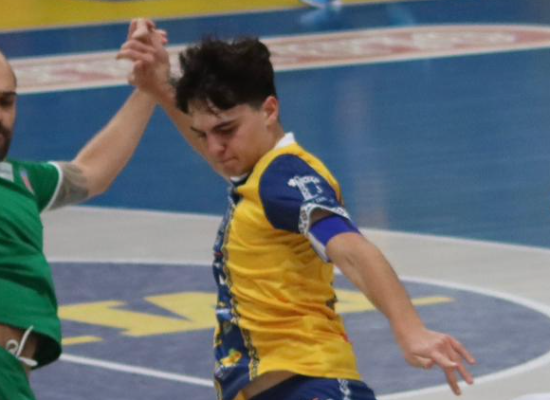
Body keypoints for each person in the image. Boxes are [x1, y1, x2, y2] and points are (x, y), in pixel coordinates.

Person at [117, 20, 476, 400]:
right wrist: (159, 83)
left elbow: (351, 248)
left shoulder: (284, 176)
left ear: (269, 110)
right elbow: (218, 145)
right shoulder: (256, 178)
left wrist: (410, 329)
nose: (214, 147)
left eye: (226, 130)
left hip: (309, 386)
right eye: (202, 134)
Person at [0, 20, 165, 400]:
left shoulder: (20, 180)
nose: (0, 117)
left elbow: (91, 173)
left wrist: (149, 89)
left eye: (6, 102)